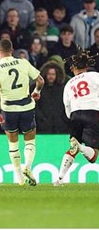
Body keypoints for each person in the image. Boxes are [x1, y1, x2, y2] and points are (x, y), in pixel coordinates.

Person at [0, 39, 44, 186]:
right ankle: (28, 167)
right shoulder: (23, 62)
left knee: (13, 144)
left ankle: (19, 178)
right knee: (30, 141)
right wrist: (36, 92)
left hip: (8, 109)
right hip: (26, 107)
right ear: (12, 51)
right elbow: (40, 80)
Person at [54, 48, 99, 186]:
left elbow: (67, 106)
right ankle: (80, 146)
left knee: (72, 148)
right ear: (86, 66)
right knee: (93, 155)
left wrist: (73, 118)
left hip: (75, 114)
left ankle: (59, 179)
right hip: (93, 112)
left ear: (73, 68)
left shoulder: (69, 83)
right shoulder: (95, 76)